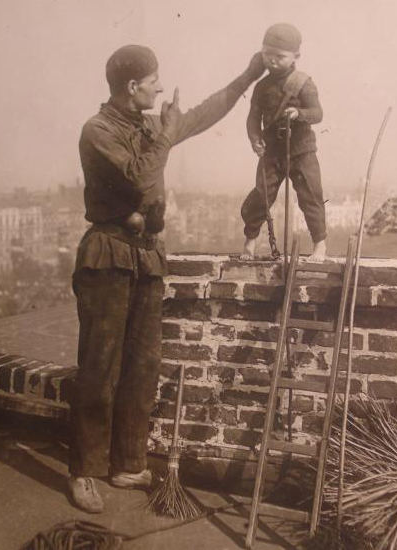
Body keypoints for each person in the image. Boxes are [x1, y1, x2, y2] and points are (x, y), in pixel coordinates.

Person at [69, 44, 265, 513]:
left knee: (142, 365)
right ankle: (83, 471)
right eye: (154, 80)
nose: (161, 86)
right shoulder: (97, 131)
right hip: (109, 255)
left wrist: (247, 76)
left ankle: (127, 463)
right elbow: (140, 177)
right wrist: (167, 133)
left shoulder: (149, 125)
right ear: (132, 86)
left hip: (146, 257)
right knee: (99, 369)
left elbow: (200, 115)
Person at [240, 23, 327, 260]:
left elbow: (318, 113)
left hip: (302, 150)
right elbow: (253, 119)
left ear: (295, 57)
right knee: (262, 195)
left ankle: (320, 246)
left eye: (280, 56)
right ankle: (250, 242)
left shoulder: (303, 83)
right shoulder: (261, 87)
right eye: (267, 54)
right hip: (272, 151)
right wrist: (255, 139)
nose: (272, 61)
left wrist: (300, 114)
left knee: (311, 195)